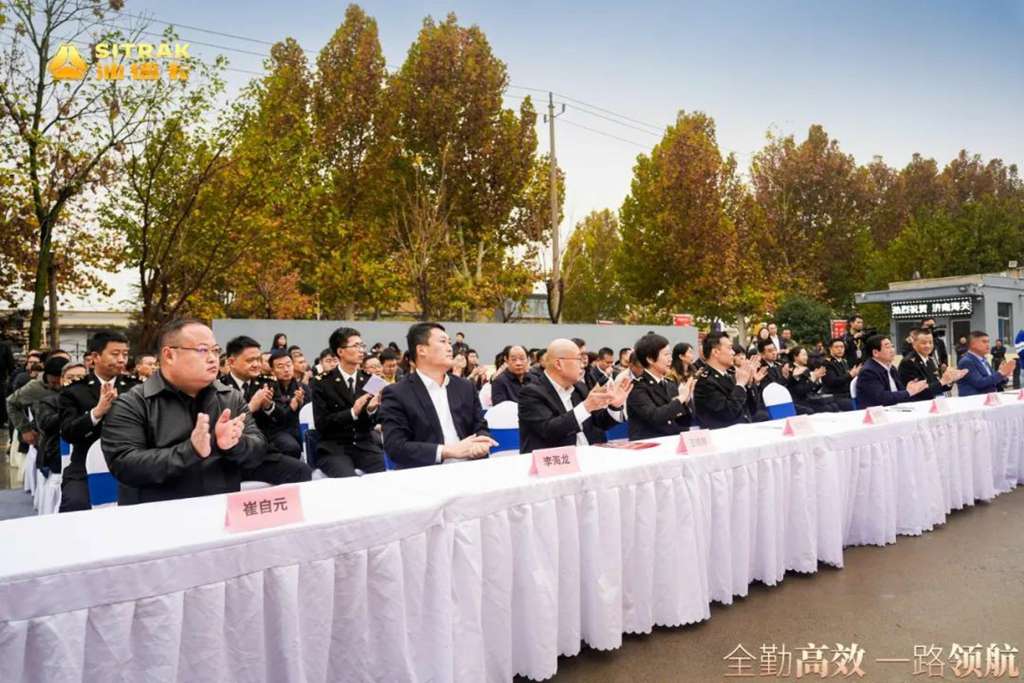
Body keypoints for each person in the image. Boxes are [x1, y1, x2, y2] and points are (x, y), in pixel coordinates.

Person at [102, 320, 309, 505]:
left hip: (221, 512)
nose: (212, 359)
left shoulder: (229, 397)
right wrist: (190, 451)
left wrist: (235, 444)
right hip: (159, 516)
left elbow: (258, 447)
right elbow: (124, 465)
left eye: (215, 351)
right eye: (202, 350)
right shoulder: (132, 403)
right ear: (169, 355)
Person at [379, 323, 495, 468]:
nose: (449, 348)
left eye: (450, 343)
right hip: (425, 474)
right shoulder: (397, 393)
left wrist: (482, 441)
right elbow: (396, 447)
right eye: (443, 342)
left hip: (470, 468)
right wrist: (447, 451)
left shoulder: (465, 387)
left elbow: (480, 425)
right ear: (421, 350)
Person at [59, 332, 141, 511]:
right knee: (75, 503)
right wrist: (97, 413)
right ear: (95, 357)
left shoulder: (136, 388)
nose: (121, 359)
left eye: (125, 354)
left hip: (130, 462)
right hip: (84, 463)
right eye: (115, 353)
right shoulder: (74, 391)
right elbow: (68, 432)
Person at [518, 338, 631, 452]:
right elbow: (549, 430)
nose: (582, 364)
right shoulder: (531, 393)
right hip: (556, 462)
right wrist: (586, 407)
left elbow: (600, 423)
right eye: (578, 359)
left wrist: (614, 406)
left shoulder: (579, 387)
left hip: (590, 455)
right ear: (559, 364)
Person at [311, 327, 386, 477]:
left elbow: (373, 423)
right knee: (348, 479)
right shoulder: (322, 382)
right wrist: (352, 412)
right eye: (356, 346)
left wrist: (371, 411)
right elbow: (322, 424)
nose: (361, 350)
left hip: (364, 445)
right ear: (340, 352)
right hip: (334, 448)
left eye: (362, 346)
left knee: (387, 472)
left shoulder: (371, 380)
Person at [627, 333, 694, 439]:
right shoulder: (637, 388)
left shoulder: (670, 384)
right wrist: (680, 399)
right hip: (649, 447)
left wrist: (686, 401)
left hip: (672, 442)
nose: (670, 359)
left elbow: (684, 422)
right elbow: (655, 417)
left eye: (670, 354)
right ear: (650, 359)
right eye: (666, 354)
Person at [693, 332, 763, 429]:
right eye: (729, 348)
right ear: (716, 352)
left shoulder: (731, 374)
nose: (733, 353)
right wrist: (740, 385)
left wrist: (749, 384)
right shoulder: (704, 381)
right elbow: (727, 413)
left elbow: (752, 409)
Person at [6, 356, 69, 462]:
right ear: (46, 375)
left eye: (61, 383)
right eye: (54, 383)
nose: (58, 386)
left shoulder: (75, 385)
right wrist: (25, 429)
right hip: (45, 445)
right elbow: (11, 402)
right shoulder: (35, 387)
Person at [34, 362, 86, 475]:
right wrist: (68, 410)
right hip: (57, 454)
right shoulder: (49, 401)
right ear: (62, 380)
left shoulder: (94, 400)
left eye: (81, 377)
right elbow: (45, 424)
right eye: (70, 377)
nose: (75, 380)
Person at [856, 335, 929, 407]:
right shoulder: (868, 372)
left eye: (892, 346)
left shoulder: (892, 368)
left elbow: (901, 392)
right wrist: (908, 392)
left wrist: (910, 389)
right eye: (887, 347)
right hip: (877, 414)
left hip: (895, 408)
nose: (892, 350)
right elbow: (881, 398)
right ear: (875, 353)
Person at [898, 328, 967, 401]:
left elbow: (936, 385)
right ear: (914, 344)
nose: (928, 346)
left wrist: (950, 380)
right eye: (924, 343)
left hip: (931, 403)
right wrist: (942, 381)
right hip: (916, 405)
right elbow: (918, 392)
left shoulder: (930, 360)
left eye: (931, 342)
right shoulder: (908, 363)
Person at [265, 349, 308, 459]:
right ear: (272, 371)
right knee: (291, 447)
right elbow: (278, 418)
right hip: (278, 431)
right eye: (280, 366)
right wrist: (291, 407)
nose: (286, 369)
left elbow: (309, 413)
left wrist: (301, 404)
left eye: (288, 365)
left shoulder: (303, 388)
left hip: (298, 427)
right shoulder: (269, 389)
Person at [957, 331, 1014, 397]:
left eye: (988, 342)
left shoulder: (983, 360)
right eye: (984, 342)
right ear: (973, 344)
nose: (988, 345)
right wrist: (1000, 373)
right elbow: (980, 383)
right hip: (974, 402)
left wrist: (1004, 376)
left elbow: (992, 381)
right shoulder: (966, 361)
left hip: (987, 400)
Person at [786, 346, 839, 413]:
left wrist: (817, 380)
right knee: (828, 408)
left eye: (806, 355)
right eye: (804, 355)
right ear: (795, 357)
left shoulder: (806, 368)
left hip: (809, 398)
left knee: (834, 406)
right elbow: (800, 391)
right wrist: (813, 378)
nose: (806, 357)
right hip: (799, 401)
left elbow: (812, 389)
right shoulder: (792, 369)